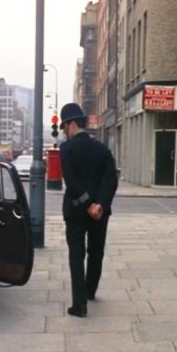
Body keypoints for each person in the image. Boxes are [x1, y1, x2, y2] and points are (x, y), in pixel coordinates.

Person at [58, 103, 118, 318]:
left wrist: (87, 204)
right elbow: (111, 178)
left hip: (76, 212)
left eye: (64, 126)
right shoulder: (102, 149)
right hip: (99, 214)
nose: (64, 131)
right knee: (96, 251)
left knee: (76, 255)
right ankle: (90, 290)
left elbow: (71, 182)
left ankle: (79, 304)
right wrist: (99, 204)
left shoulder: (67, 149)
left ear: (71, 124)